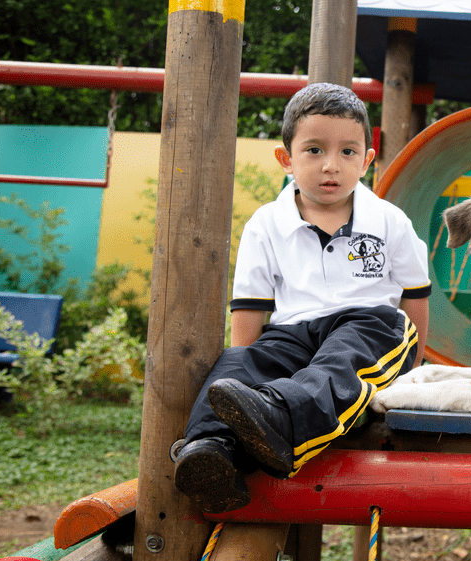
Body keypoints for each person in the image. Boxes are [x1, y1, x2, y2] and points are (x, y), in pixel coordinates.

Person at [173, 82, 431, 514]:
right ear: (286, 159)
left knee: (355, 343)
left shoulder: (389, 220)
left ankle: (285, 416)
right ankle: (209, 450)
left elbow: (415, 298)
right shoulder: (266, 223)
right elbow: (251, 308)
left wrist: (414, 371)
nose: (332, 166)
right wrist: (245, 375)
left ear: (367, 160)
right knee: (241, 361)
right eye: (314, 150)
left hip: (372, 333)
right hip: (294, 334)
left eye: (348, 152)